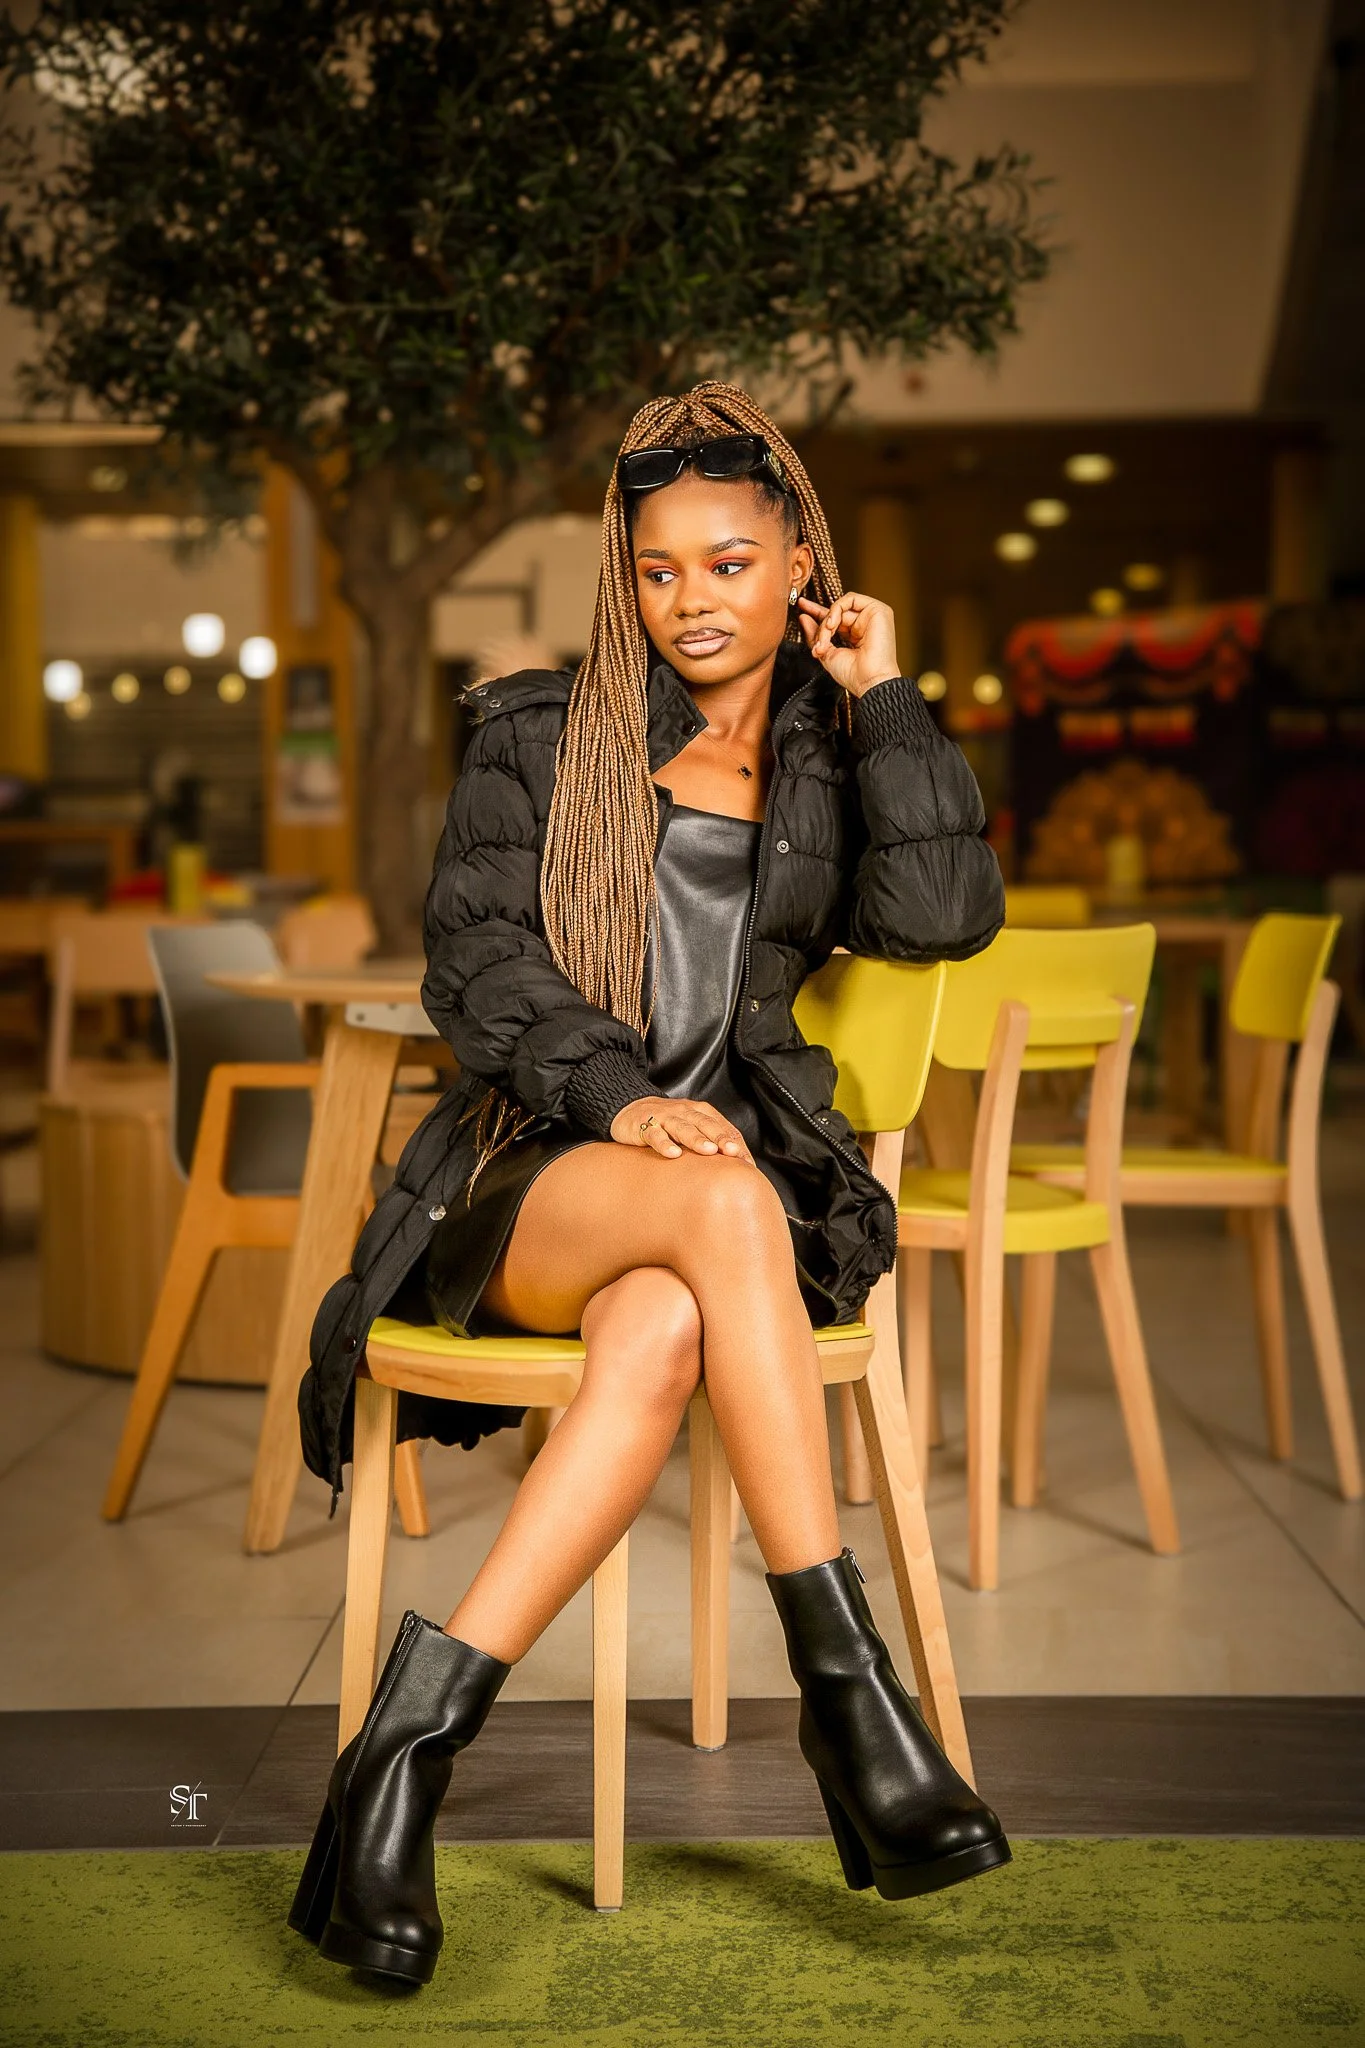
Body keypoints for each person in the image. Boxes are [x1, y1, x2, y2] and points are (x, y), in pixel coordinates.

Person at [291, 381, 1009, 1986]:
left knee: (664, 1322)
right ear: (626, 577)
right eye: (661, 567)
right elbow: (474, 966)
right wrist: (619, 1100)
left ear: (801, 562)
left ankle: (398, 1765)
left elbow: (946, 914)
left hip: (723, 1232)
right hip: (542, 1172)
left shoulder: (833, 752)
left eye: (733, 561)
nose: (694, 600)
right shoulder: (541, 730)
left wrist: (884, 694)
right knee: (712, 1195)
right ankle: (850, 1702)